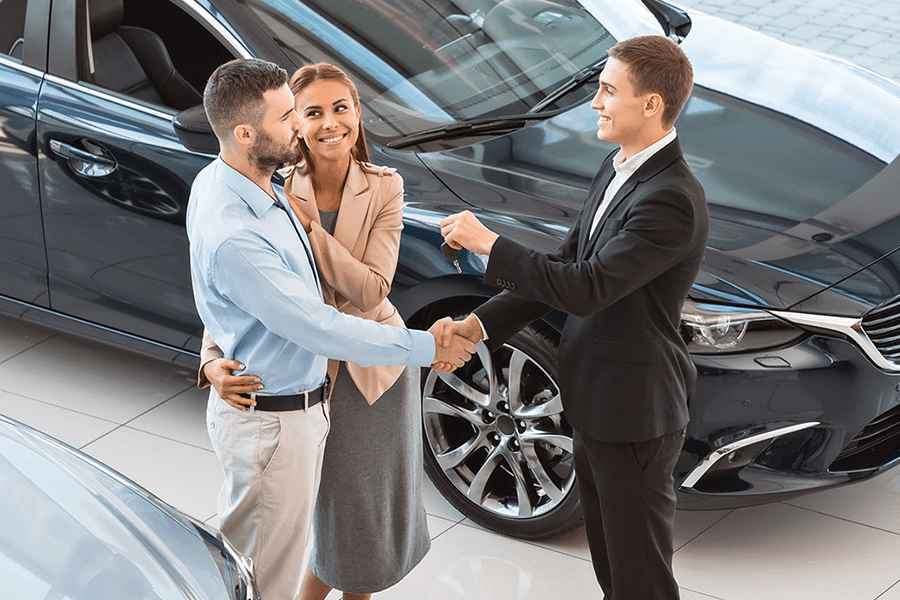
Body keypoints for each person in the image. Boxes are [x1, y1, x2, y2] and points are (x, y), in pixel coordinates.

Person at [187, 58, 473, 600]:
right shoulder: (253, 203)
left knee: (348, 525)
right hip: (289, 397)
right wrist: (209, 357)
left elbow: (367, 291)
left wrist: (310, 227)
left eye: (337, 109)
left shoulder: (255, 182)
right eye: (298, 114)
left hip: (360, 378)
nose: (311, 125)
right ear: (249, 132)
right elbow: (268, 301)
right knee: (272, 555)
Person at [437, 36, 708, 600]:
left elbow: (587, 289)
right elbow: (566, 265)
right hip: (599, 401)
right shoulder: (620, 168)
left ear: (652, 104)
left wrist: (489, 243)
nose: (595, 102)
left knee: (640, 577)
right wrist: (478, 326)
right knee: (612, 564)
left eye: (609, 91)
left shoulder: (670, 199)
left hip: (636, 411)